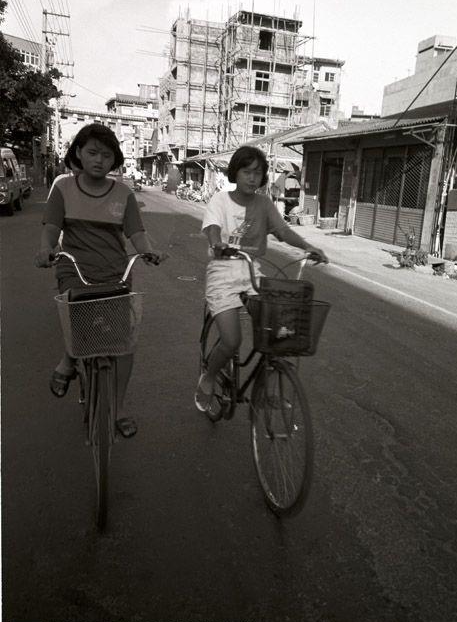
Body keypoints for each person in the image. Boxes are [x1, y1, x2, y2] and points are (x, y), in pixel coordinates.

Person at [35, 123, 164, 438]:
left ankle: (118, 408)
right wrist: (46, 249)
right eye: (92, 152)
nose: (99, 160)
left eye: (106, 155)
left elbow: (137, 233)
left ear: (114, 159)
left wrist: (148, 251)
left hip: (115, 273)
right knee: (79, 323)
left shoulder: (124, 193)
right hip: (74, 270)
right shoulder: (63, 188)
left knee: (124, 345)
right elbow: (51, 228)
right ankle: (68, 362)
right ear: (79, 152)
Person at [194, 145, 328, 412]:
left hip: (251, 272)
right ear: (235, 172)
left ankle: (266, 389)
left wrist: (308, 246)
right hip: (222, 271)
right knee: (232, 341)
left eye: (257, 172)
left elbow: (282, 231)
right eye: (246, 171)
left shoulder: (264, 204)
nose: (252, 178)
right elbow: (212, 227)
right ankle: (208, 377)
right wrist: (217, 243)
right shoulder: (220, 200)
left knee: (278, 330)